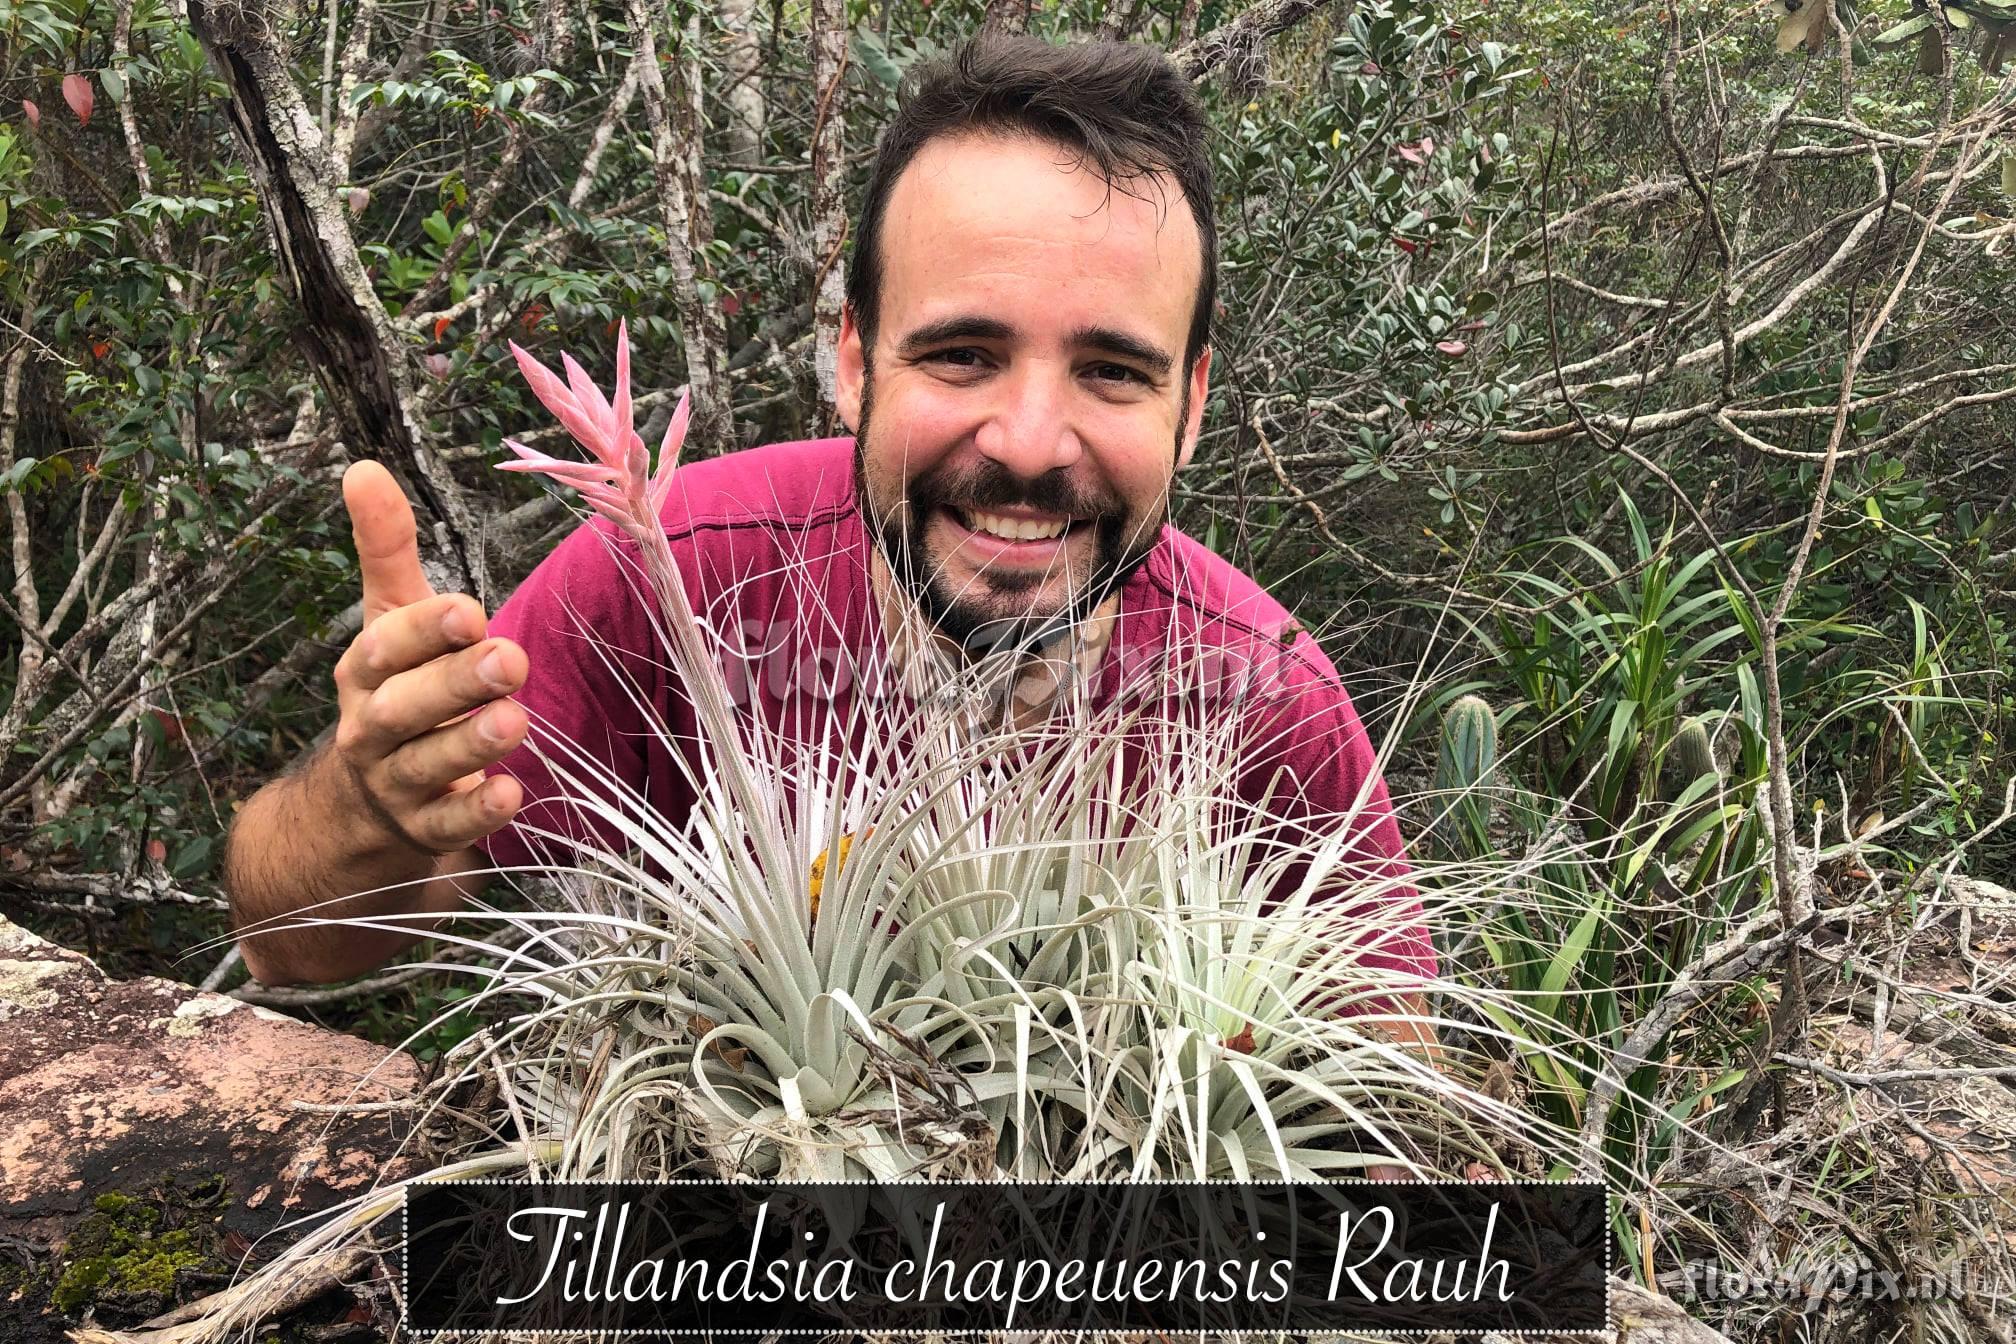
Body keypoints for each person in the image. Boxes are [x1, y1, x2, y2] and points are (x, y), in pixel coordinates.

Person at [222, 35, 1442, 1083]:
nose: (1028, 443)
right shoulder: (678, 573)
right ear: (856, 364)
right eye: (961, 354)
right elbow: (289, 940)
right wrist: (370, 806)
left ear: (1191, 403)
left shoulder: (1260, 691)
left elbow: (1397, 1103)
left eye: (1113, 371)